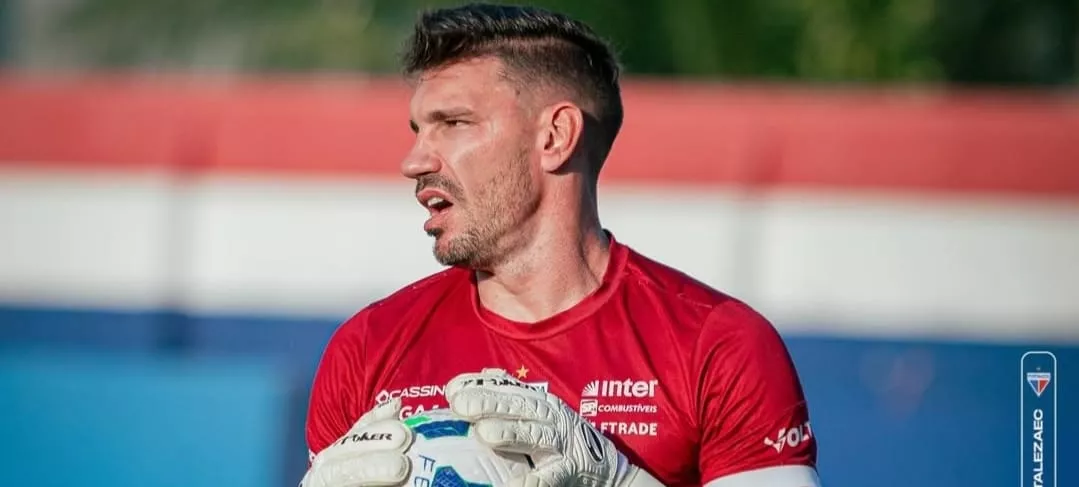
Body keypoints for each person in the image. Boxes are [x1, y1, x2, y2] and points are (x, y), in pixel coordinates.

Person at [300, 4, 819, 487]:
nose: (414, 161)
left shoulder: (718, 344)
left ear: (555, 136)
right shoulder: (367, 348)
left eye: (453, 123)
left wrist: (624, 481)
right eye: (418, 130)